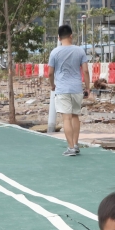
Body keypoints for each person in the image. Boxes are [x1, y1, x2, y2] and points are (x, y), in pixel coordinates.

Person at [47, 24, 90, 157]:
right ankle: (76, 145)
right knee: (75, 116)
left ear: (59, 38)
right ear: (71, 36)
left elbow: (50, 73)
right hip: (77, 89)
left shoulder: (54, 52)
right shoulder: (80, 51)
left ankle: (71, 147)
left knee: (66, 118)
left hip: (62, 89)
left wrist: (52, 85)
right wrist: (88, 87)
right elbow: (86, 71)